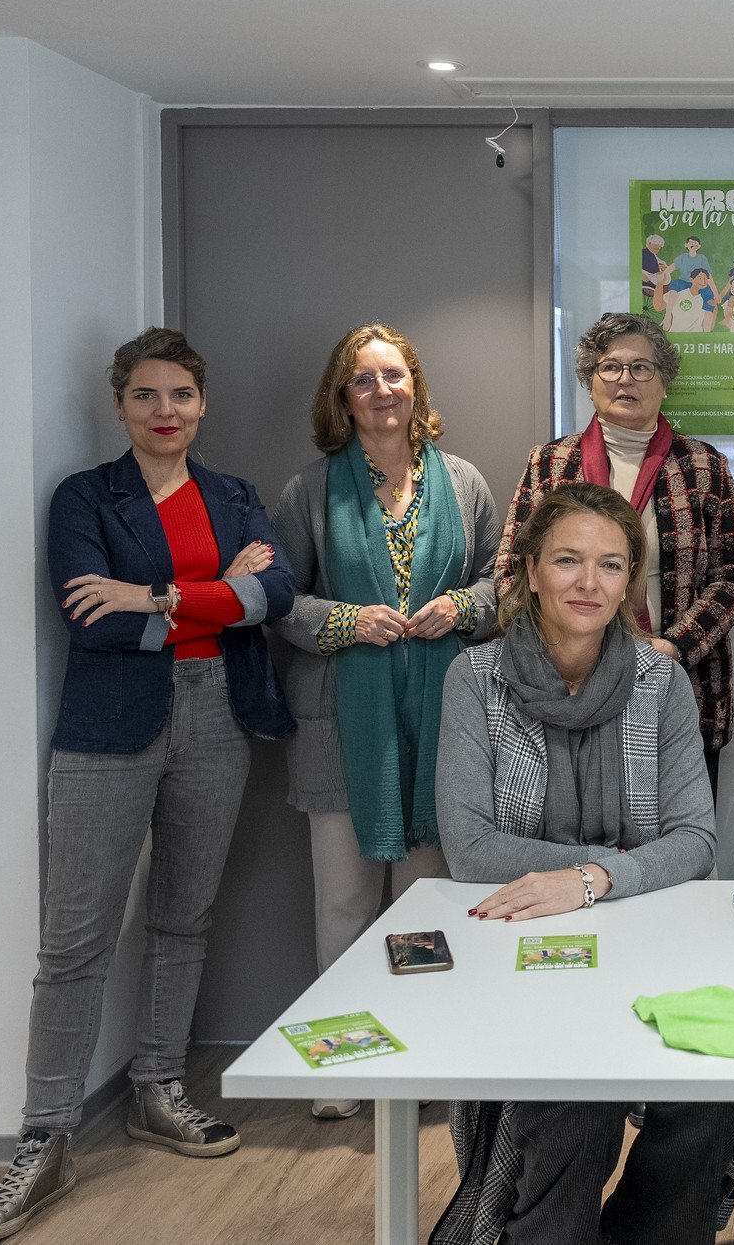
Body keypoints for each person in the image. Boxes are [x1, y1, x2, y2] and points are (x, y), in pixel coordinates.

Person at [0, 329, 295, 1243]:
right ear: (119, 405)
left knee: (184, 918)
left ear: (203, 403)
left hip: (219, 716)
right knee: (75, 940)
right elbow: (88, 617)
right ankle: (46, 1135)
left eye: (180, 394)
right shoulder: (85, 496)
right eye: (145, 396)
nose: (164, 412)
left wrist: (157, 598)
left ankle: (158, 1087)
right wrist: (215, 596)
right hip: (110, 727)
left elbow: (280, 595)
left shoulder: (232, 495)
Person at [432, 483, 734, 1245]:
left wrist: (590, 880)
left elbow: (695, 839)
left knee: (725, 1099)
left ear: (629, 579)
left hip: (649, 941)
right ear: (530, 570)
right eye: (568, 560)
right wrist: (624, 863)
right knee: (576, 1104)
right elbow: (470, 846)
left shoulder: (658, 680)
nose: (588, 582)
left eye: (610, 565)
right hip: (519, 953)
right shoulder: (476, 680)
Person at [275, 323, 502, 1118]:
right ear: (343, 397)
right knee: (344, 903)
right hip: (344, 725)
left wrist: (460, 607)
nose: (382, 390)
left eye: (394, 375)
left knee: (426, 901)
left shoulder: (465, 481)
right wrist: (345, 622)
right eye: (363, 379)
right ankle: (343, 1065)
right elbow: (281, 603)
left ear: (417, 386)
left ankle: (422, 1051)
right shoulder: (310, 490)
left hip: (444, 722)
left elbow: (500, 585)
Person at [498, 313, 734, 792]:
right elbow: (513, 568)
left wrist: (673, 647)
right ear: (590, 381)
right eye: (610, 367)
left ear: (664, 382)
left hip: (680, 684)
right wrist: (564, 653)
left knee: (681, 844)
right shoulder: (551, 463)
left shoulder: (705, 466)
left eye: (641, 368)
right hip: (569, 687)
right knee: (583, 837)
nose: (625, 380)